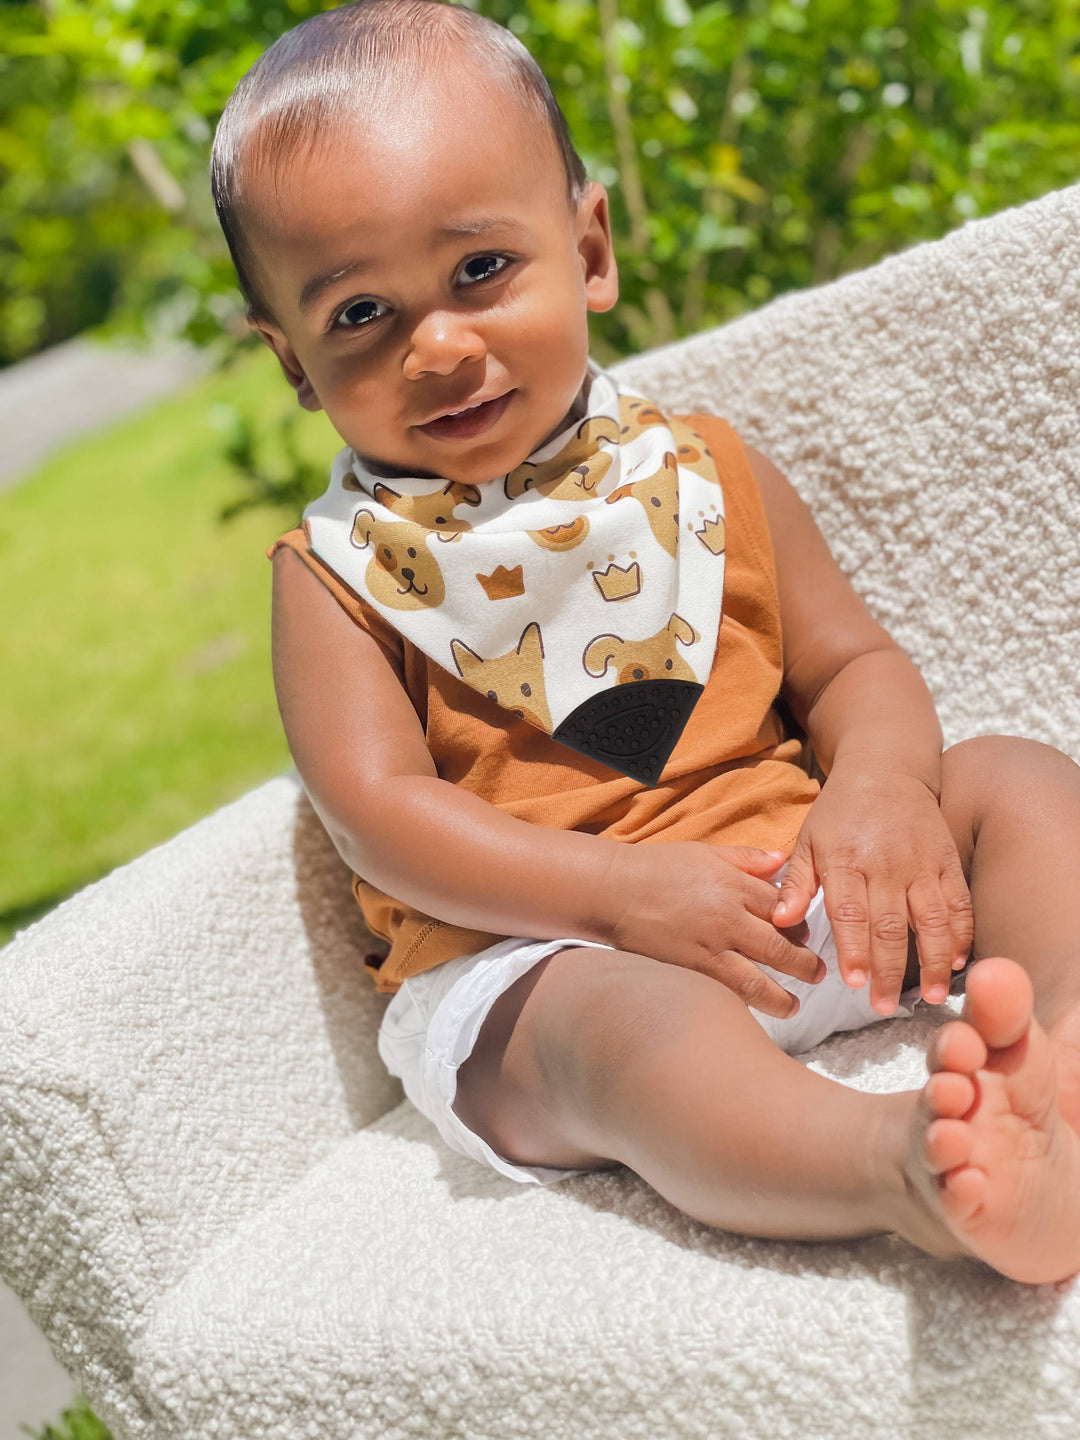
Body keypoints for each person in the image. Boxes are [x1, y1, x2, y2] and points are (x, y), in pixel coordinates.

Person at [210, 0, 1080, 1285]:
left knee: (1014, 776)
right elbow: (379, 814)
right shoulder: (338, 575)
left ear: (590, 247)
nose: (440, 345)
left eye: (478, 271)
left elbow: (854, 670)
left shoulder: (702, 470)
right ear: (292, 365)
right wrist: (615, 899)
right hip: (547, 954)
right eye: (360, 318)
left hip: (790, 891)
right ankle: (904, 1168)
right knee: (627, 1036)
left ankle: (1056, 1059)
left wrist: (881, 790)